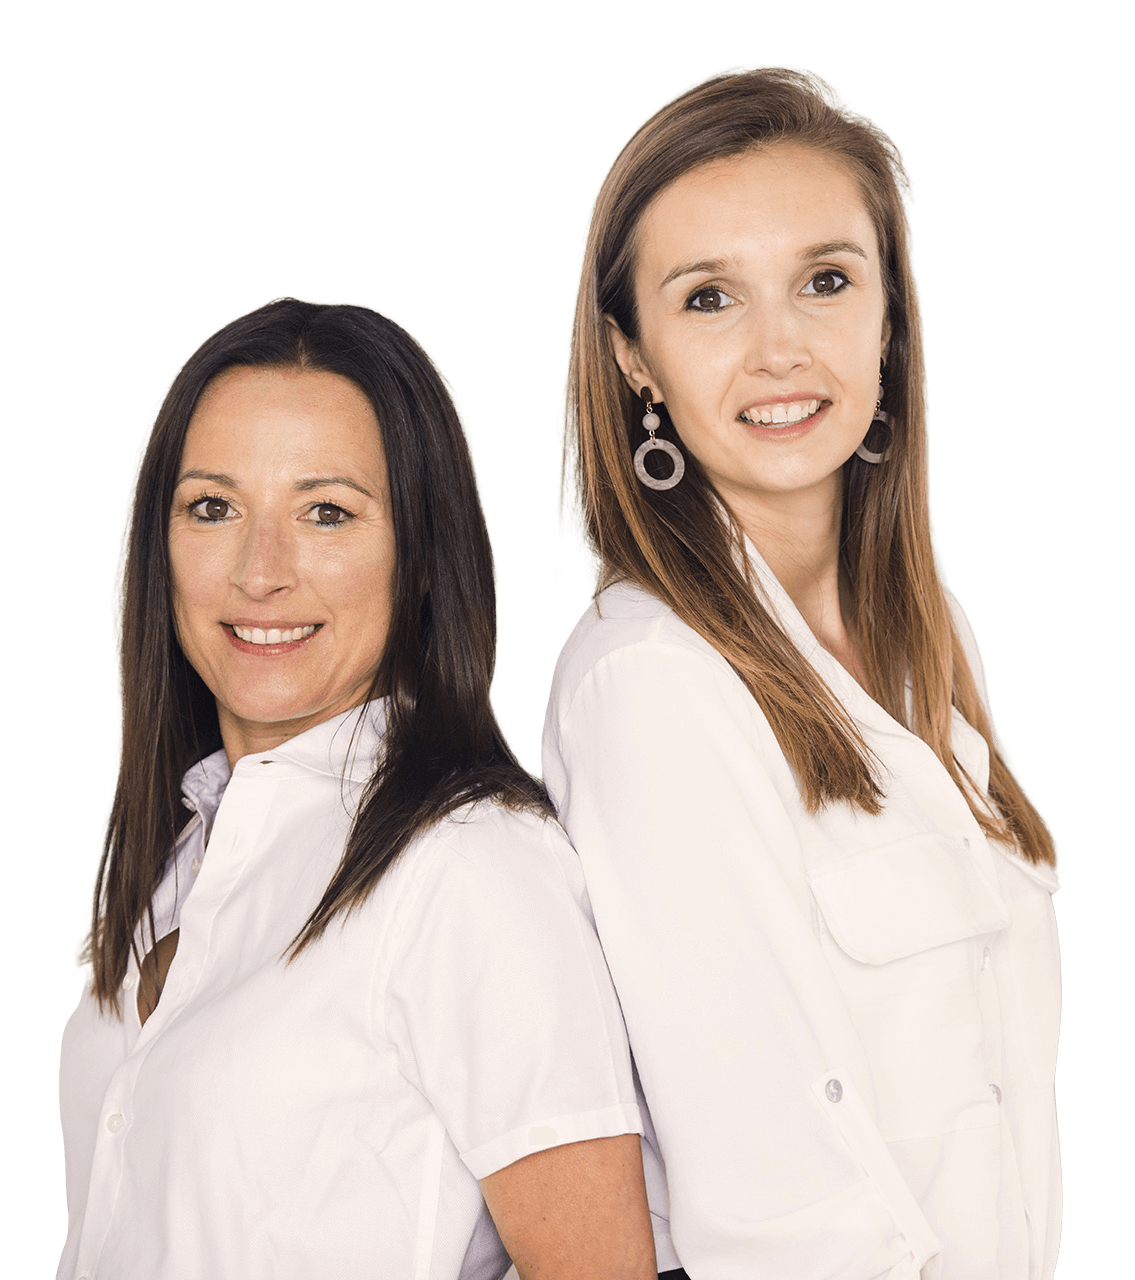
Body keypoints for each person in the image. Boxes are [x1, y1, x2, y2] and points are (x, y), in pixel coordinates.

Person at [543, 66, 1061, 1280]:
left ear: (888, 316)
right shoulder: (652, 680)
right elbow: (771, 1198)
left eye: (825, 280)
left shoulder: (930, 632)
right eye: (708, 298)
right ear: (632, 358)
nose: (779, 348)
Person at [58, 296, 658, 1280]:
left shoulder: (472, 867)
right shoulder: (182, 856)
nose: (261, 572)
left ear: (420, 557)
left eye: (326, 512)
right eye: (212, 507)